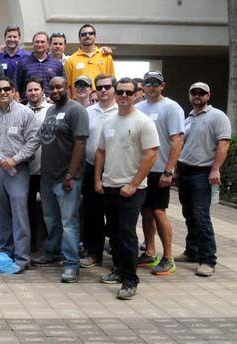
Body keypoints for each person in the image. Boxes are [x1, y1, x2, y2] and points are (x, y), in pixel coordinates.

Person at [95, 77, 159, 300]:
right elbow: (101, 152)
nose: (123, 96)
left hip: (132, 189)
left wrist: (133, 184)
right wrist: (98, 179)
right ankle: (119, 270)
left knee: (126, 234)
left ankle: (130, 280)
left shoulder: (143, 122)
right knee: (112, 233)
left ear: (137, 94)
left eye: (128, 93)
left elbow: (151, 154)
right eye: (120, 92)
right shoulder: (109, 121)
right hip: (110, 186)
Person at [0, 77, 40, 269]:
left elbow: (33, 141)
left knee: (19, 214)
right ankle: (7, 254)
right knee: (2, 213)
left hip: (17, 170)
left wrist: (15, 159)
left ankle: (22, 259)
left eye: (7, 89)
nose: (3, 92)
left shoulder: (25, 113)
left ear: (14, 91)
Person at [34, 76, 89, 284]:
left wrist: (70, 174)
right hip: (47, 177)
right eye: (52, 87)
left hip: (66, 178)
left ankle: (72, 264)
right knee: (51, 219)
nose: (55, 90)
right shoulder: (51, 110)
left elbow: (80, 143)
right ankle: (52, 252)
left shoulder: (76, 111)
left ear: (67, 88)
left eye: (59, 87)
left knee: (68, 223)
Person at [177, 82, 232, 277]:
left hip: (202, 173)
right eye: (194, 92)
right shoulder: (189, 117)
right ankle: (192, 251)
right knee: (188, 214)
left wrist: (215, 169)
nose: (197, 96)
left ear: (208, 96)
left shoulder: (217, 116)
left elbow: (223, 144)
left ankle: (208, 259)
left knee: (201, 216)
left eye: (202, 93)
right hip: (184, 170)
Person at [135, 71, 185, 275]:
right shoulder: (138, 107)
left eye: (155, 83)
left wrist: (169, 170)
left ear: (163, 85)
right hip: (142, 170)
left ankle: (169, 257)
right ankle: (150, 251)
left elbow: (177, 139)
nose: (151, 86)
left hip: (160, 170)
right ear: (143, 86)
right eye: (148, 82)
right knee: (145, 212)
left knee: (158, 212)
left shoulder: (172, 107)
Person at [80, 74, 118, 268]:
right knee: (92, 213)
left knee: (114, 214)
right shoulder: (88, 112)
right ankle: (94, 253)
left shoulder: (121, 111)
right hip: (90, 167)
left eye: (107, 87)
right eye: (100, 87)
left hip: (114, 169)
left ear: (114, 88)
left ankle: (118, 255)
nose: (103, 90)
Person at [24, 77, 51, 252]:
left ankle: (50, 245)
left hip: (47, 169)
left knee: (49, 210)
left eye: (36, 89)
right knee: (28, 209)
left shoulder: (51, 110)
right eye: (30, 90)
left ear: (42, 91)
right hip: (26, 170)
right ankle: (31, 243)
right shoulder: (20, 110)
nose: (33, 93)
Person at [65, 24, 115, 98]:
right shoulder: (71, 60)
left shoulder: (106, 57)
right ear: (79, 38)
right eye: (84, 34)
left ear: (95, 36)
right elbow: (68, 87)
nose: (87, 36)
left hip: (101, 100)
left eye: (91, 33)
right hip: (79, 103)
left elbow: (112, 82)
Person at [17, 32, 65, 100]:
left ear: (48, 44)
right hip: (28, 104)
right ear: (33, 44)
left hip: (51, 104)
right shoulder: (23, 62)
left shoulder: (57, 64)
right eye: (37, 42)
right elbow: (16, 85)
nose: (40, 44)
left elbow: (63, 86)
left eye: (42, 42)